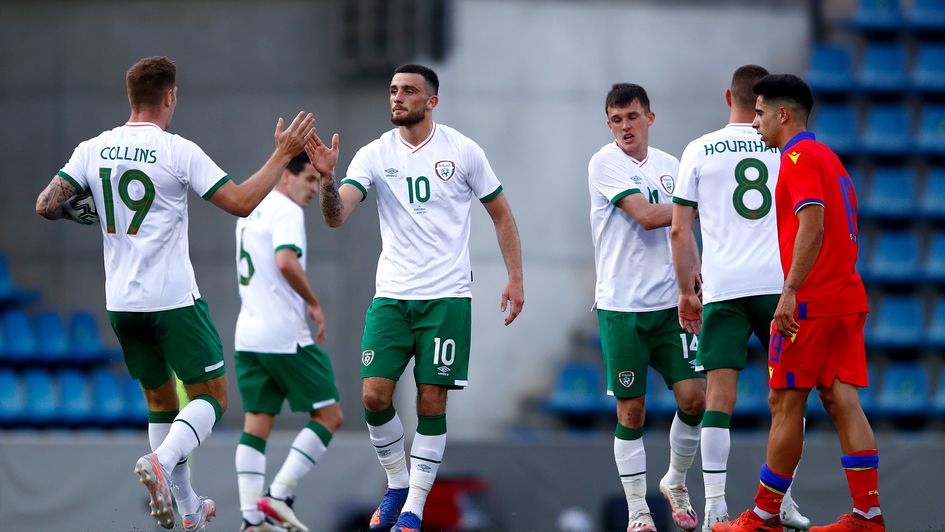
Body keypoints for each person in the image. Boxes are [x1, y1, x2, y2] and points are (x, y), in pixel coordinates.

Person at [34, 55, 315, 531]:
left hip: (122, 303)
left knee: (162, 402)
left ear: (131, 97)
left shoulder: (93, 149)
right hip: (173, 301)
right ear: (170, 97)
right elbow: (243, 202)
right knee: (213, 398)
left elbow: (47, 204)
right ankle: (160, 463)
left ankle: (188, 511)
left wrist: (83, 214)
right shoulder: (177, 150)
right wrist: (283, 155)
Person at [307, 63, 524, 532]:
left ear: (432, 101)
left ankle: (415, 507)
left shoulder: (462, 151)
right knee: (373, 395)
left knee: (431, 400)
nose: (397, 98)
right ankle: (397, 483)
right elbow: (335, 217)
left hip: (447, 297)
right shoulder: (373, 154)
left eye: (408, 91)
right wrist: (327, 179)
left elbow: (501, 214)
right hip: (392, 296)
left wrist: (514, 277)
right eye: (393, 90)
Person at [715, 74, 882, 532]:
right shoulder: (830, 158)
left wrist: (789, 291)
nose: (755, 121)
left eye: (761, 112)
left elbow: (813, 224)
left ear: (783, 115)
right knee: (843, 399)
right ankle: (868, 514)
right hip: (846, 297)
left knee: (784, 401)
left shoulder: (797, 157)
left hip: (811, 302)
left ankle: (764, 516)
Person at [671, 65, 810, 532]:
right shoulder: (782, 146)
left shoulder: (699, 148)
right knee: (786, 399)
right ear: (764, 102)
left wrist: (686, 290)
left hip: (724, 286)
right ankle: (781, 500)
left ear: (728, 94)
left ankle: (714, 508)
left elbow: (679, 228)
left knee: (718, 397)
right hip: (778, 284)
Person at [587, 83, 706, 532]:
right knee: (631, 411)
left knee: (695, 398)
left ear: (649, 118)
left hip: (669, 304)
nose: (624, 127)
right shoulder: (605, 162)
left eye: (632, 117)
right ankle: (638, 508)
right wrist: (698, 204)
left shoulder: (672, 167)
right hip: (621, 306)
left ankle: (675, 480)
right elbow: (647, 215)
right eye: (616, 120)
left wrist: (694, 278)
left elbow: (683, 233)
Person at [232, 150, 344, 532]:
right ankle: (279, 494)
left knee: (257, 423)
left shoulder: (251, 212)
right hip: (284, 336)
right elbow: (285, 261)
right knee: (330, 416)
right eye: (309, 179)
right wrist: (313, 302)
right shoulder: (287, 211)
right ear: (286, 177)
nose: (314, 188)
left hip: (248, 337)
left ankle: (251, 518)